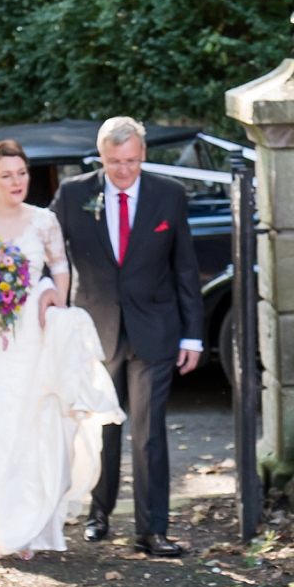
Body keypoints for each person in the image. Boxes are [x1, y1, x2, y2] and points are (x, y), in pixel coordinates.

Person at [0, 140, 123, 563]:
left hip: (31, 337)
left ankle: (30, 525)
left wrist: (55, 297)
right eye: (7, 175)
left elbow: (60, 266)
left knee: (29, 427)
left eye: (22, 173)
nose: (17, 182)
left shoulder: (43, 221)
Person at [52, 117, 204, 559]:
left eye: (132, 161)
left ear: (143, 154)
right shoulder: (74, 194)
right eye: (115, 162)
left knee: (149, 432)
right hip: (95, 330)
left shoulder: (168, 195)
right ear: (101, 157)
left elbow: (185, 269)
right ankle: (99, 514)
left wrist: (192, 336)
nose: (124, 170)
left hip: (155, 330)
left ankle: (152, 530)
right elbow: (49, 252)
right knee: (102, 429)